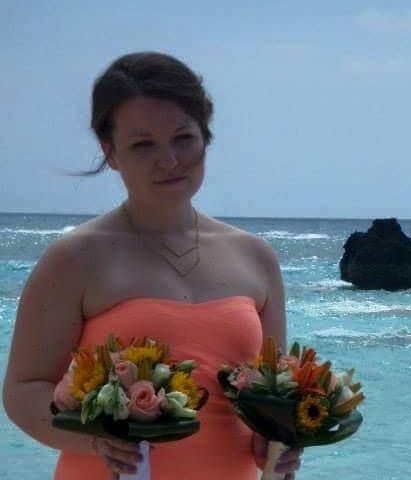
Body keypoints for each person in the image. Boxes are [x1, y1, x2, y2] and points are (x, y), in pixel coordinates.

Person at [2, 51, 302, 479]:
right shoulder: (75, 258)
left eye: (183, 137)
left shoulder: (256, 257)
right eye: (143, 144)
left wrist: (276, 441)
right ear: (110, 152)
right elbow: (23, 390)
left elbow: (271, 395)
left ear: (205, 134)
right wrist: (96, 440)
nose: (170, 160)